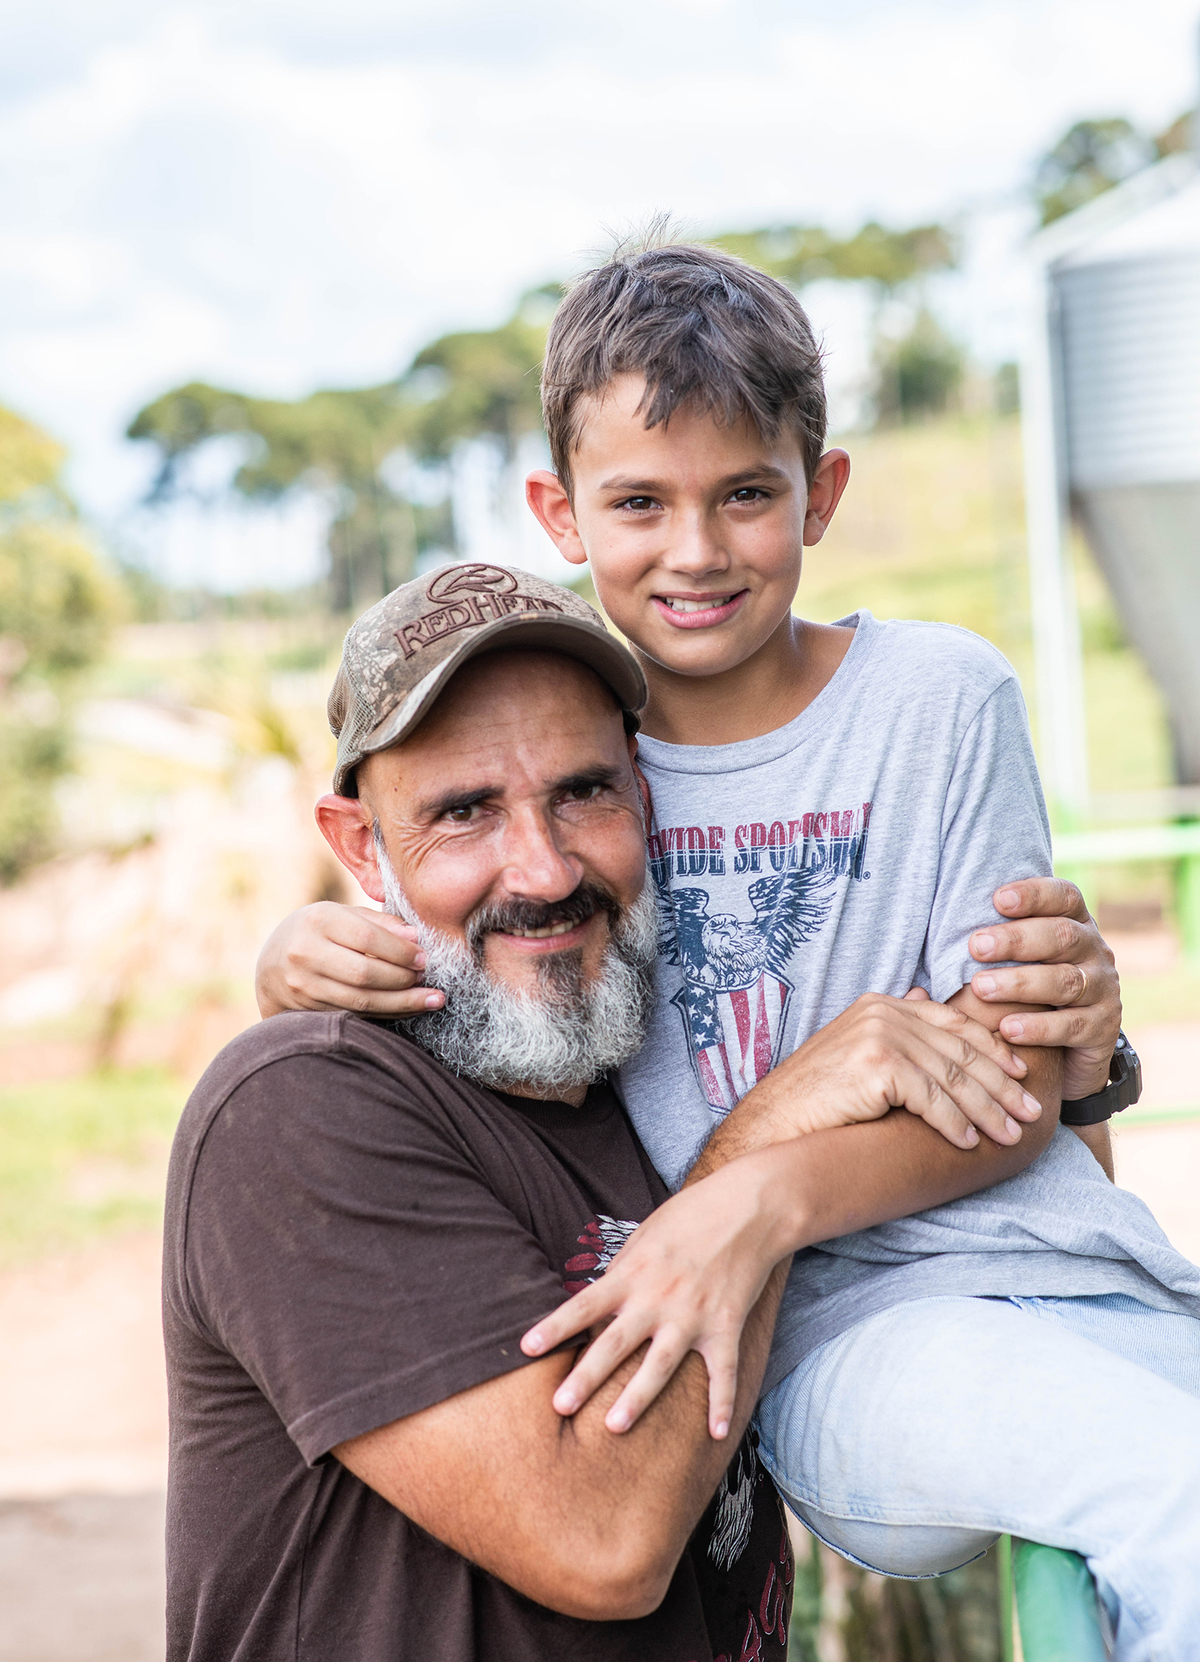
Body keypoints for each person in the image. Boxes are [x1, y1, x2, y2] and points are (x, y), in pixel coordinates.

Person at [254, 242, 1200, 1657]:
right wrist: (287, 959)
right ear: (562, 513)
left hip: (1085, 1272)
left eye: (746, 494)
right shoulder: (577, 774)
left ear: (821, 492)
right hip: (841, 1333)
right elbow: (427, 961)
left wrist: (766, 1193)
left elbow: (1028, 1086)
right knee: (1172, 1497)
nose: (695, 550)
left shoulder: (942, 700)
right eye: (641, 502)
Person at [167, 587, 1043, 1660]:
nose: (544, 871)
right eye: (464, 812)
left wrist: (1082, 1057)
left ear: (644, 797)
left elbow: (1029, 1192)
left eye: (582, 793)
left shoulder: (642, 1071)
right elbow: (602, 1540)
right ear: (361, 846)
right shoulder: (299, 1106)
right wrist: (763, 1167)